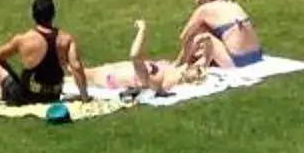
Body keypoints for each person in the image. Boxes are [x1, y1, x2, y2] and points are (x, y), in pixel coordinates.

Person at [0, 0, 88, 108]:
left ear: (33, 15)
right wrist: (84, 97)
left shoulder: (23, 39)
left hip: (26, 97)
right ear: (53, 14)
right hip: (53, 95)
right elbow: (76, 66)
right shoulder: (66, 39)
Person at [78, 20, 210, 97]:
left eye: (198, 71)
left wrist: (142, 30)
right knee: (72, 72)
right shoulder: (175, 69)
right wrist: (206, 40)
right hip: (114, 71)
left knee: (74, 74)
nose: (196, 68)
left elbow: (134, 55)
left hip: (109, 77)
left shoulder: (162, 80)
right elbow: (200, 57)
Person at [177, 0, 263, 69]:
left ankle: (179, 66)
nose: (196, 1)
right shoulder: (233, 4)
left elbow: (184, 36)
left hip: (238, 62)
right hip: (256, 56)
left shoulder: (204, 9)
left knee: (200, 34)